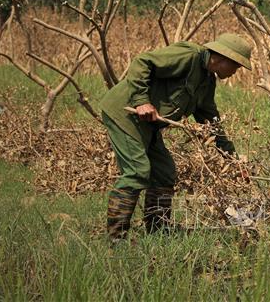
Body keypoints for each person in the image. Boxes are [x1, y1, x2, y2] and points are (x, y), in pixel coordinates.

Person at [99, 33, 252, 242]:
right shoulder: (188, 55)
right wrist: (142, 101)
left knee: (164, 172)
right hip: (125, 113)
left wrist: (232, 160)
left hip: (148, 125)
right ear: (223, 57)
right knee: (137, 170)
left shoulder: (206, 81)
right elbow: (143, 62)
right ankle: (116, 239)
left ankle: (158, 231)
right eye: (236, 66)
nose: (235, 72)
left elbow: (210, 121)